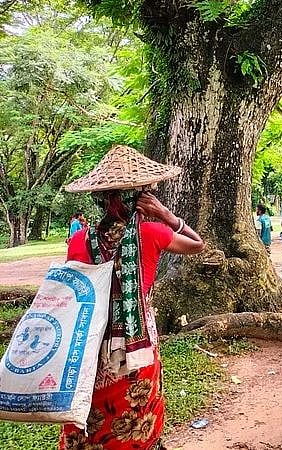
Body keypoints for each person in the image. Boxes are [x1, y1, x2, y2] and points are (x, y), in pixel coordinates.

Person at [60, 145, 205, 449]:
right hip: (136, 342)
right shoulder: (152, 232)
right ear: (141, 197)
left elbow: (73, 293)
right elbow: (197, 244)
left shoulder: (78, 239)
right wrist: (165, 213)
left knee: (91, 411)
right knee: (137, 412)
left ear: (101, 199)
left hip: (89, 342)